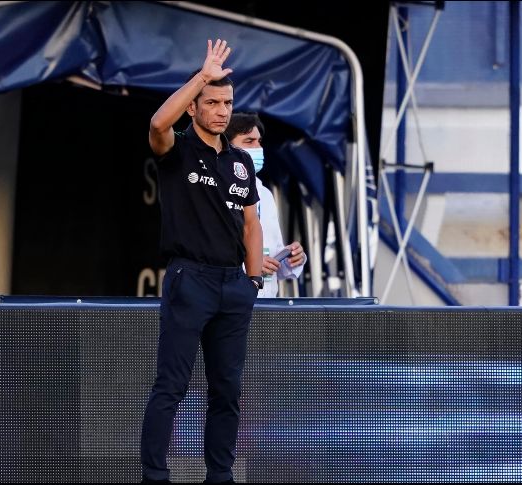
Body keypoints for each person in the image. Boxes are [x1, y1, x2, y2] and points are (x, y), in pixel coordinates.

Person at [140, 39, 262, 484]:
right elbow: (157, 123)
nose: (222, 111)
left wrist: (253, 280)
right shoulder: (179, 149)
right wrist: (200, 78)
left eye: (227, 103)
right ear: (194, 107)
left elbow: (252, 224)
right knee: (171, 385)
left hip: (234, 285)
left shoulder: (241, 162)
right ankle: (155, 474)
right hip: (190, 277)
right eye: (212, 102)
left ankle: (220, 475)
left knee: (227, 390)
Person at [225, 113, 307, 297]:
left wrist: (290, 258)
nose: (258, 147)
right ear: (227, 147)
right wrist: (250, 264)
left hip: (266, 303)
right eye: (249, 141)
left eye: (259, 141)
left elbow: (273, 256)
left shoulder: (265, 194)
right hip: (229, 303)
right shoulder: (214, 190)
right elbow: (207, 256)